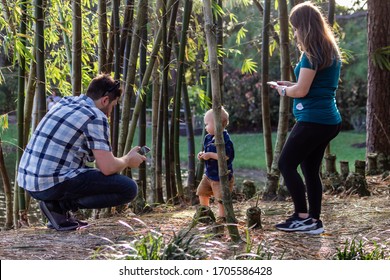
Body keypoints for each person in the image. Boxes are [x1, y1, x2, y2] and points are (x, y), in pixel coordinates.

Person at [17, 74, 146, 231]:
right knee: (128, 188)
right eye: (113, 105)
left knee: (86, 174)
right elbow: (108, 167)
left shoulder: (65, 102)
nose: (111, 111)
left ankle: (57, 209)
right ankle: (58, 206)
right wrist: (127, 160)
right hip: (49, 183)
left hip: (28, 181)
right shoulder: (95, 116)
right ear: (105, 100)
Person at [270, 2, 342, 234]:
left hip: (314, 120)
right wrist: (290, 85)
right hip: (328, 120)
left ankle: (301, 216)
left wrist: (283, 91)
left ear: (304, 26)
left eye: (296, 27)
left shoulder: (311, 52)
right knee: (310, 169)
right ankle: (314, 221)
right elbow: (310, 86)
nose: (294, 32)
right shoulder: (328, 49)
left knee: (285, 163)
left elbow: (301, 91)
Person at [196, 107, 235, 226]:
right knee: (202, 192)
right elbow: (206, 151)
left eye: (207, 124)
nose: (205, 127)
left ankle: (222, 217)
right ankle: (205, 212)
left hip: (221, 177)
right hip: (208, 175)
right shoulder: (208, 137)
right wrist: (202, 154)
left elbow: (227, 156)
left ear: (217, 124)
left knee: (221, 199)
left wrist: (211, 155)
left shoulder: (225, 140)